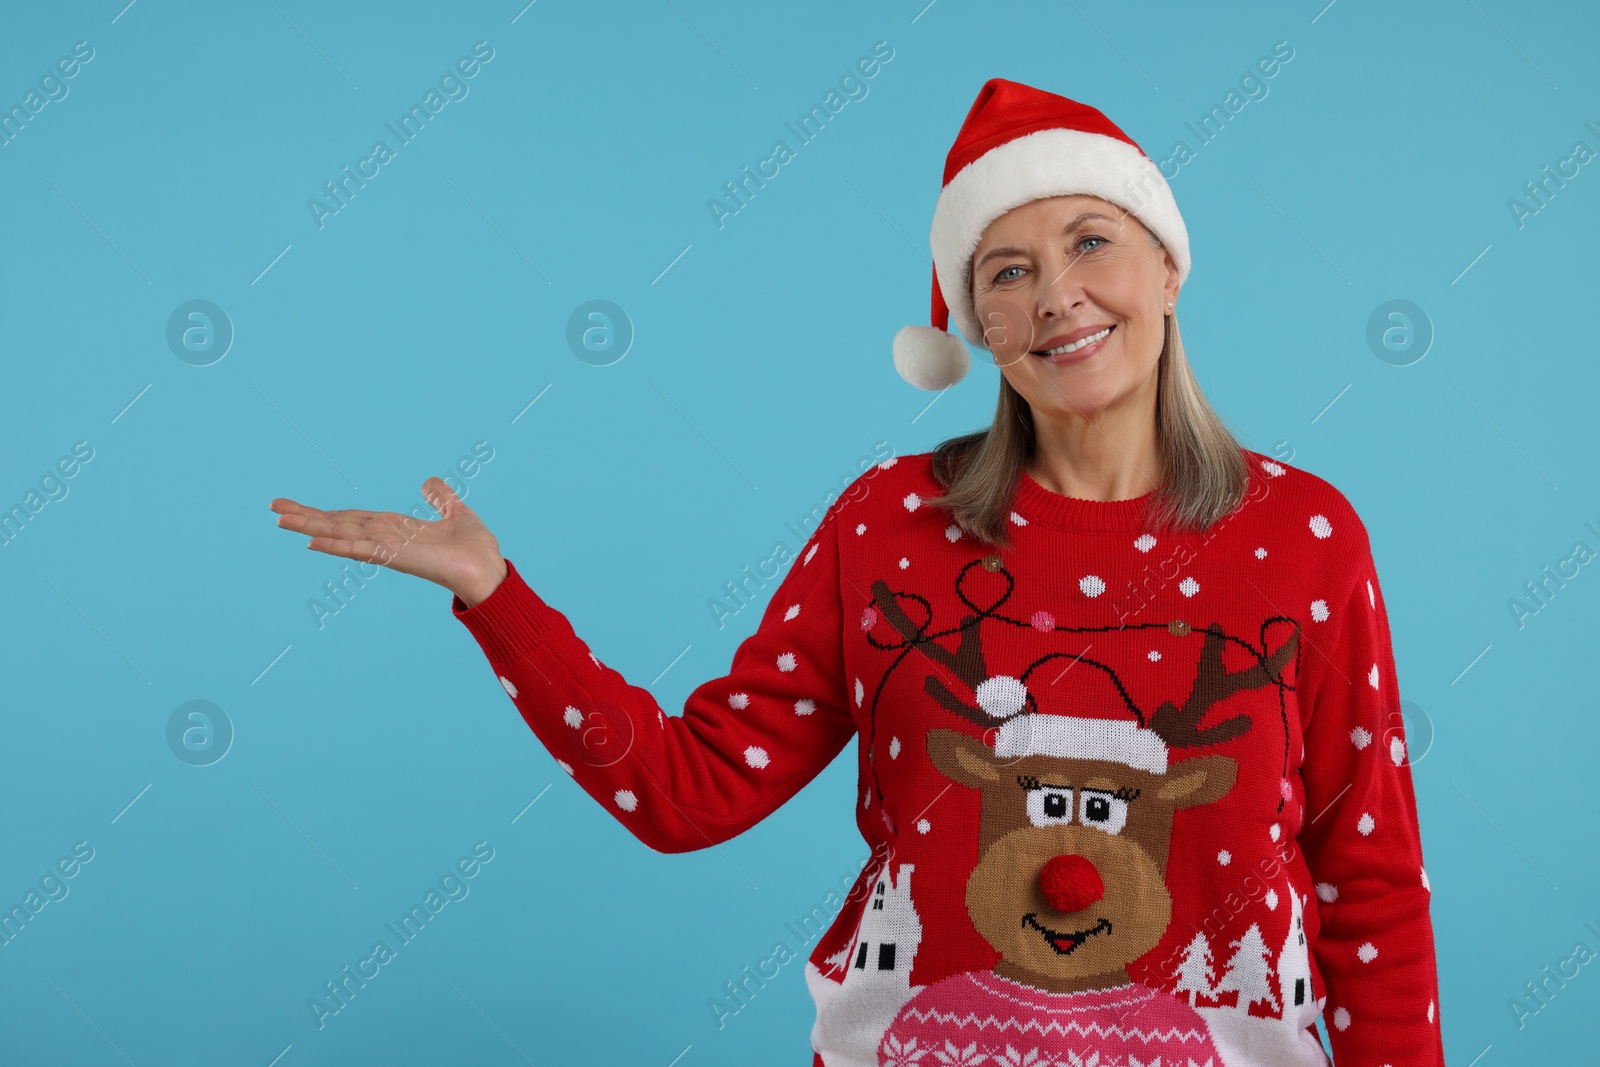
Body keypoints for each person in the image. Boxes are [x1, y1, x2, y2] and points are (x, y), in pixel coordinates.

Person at [271, 78, 1443, 1067]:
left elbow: (1369, 882)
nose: (1055, 295)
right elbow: (690, 792)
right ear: (974, 322)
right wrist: (496, 596)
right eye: (1006, 270)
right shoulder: (891, 521)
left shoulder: (1302, 534)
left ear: (1168, 266)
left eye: (1090, 240)